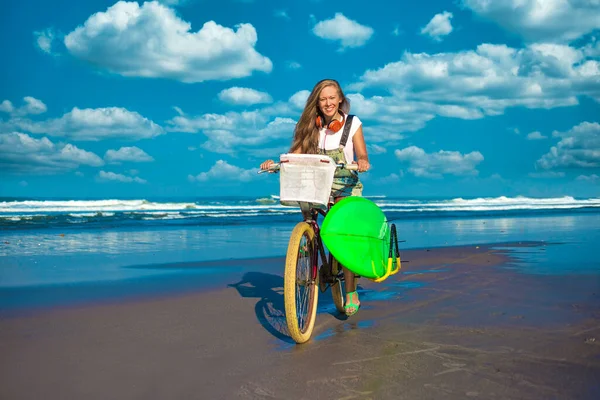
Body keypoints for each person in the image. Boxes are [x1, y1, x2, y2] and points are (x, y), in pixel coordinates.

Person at [260, 79, 370, 317]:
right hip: (317, 183)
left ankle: (350, 290)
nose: (328, 103)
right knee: (307, 209)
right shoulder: (311, 125)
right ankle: (309, 246)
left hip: (345, 185)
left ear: (340, 99)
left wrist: (361, 161)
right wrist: (275, 164)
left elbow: (361, 152)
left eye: (332, 98)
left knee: (344, 235)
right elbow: (295, 154)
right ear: (317, 103)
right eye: (323, 99)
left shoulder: (352, 124)